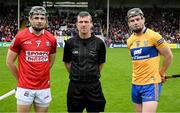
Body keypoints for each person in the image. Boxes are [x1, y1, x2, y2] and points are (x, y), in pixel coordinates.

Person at [6, 6, 57, 113]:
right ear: (30, 19)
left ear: (46, 20)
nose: (39, 21)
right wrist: (20, 78)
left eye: (42, 18)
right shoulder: (20, 37)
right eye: (36, 18)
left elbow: (51, 61)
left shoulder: (51, 39)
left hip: (44, 88)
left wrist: (42, 74)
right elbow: (9, 61)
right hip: (25, 87)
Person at [126, 8, 173, 113]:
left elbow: (168, 56)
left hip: (151, 84)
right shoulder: (129, 41)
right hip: (135, 84)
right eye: (132, 21)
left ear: (143, 20)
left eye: (138, 19)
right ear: (129, 23)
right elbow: (135, 61)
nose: (136, 23)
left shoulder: (154, 36)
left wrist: (161, 73)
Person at [63, 11, 106, 113]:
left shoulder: (99, 43)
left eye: (86, 22)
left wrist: (90, 74)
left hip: (93, 87)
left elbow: (101, 64)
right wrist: (77, 74)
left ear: (91, 24)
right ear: (77, 24)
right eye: (81, 22)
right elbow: (67, 63)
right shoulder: (70, 43)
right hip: (75, 87)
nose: (83, 24)